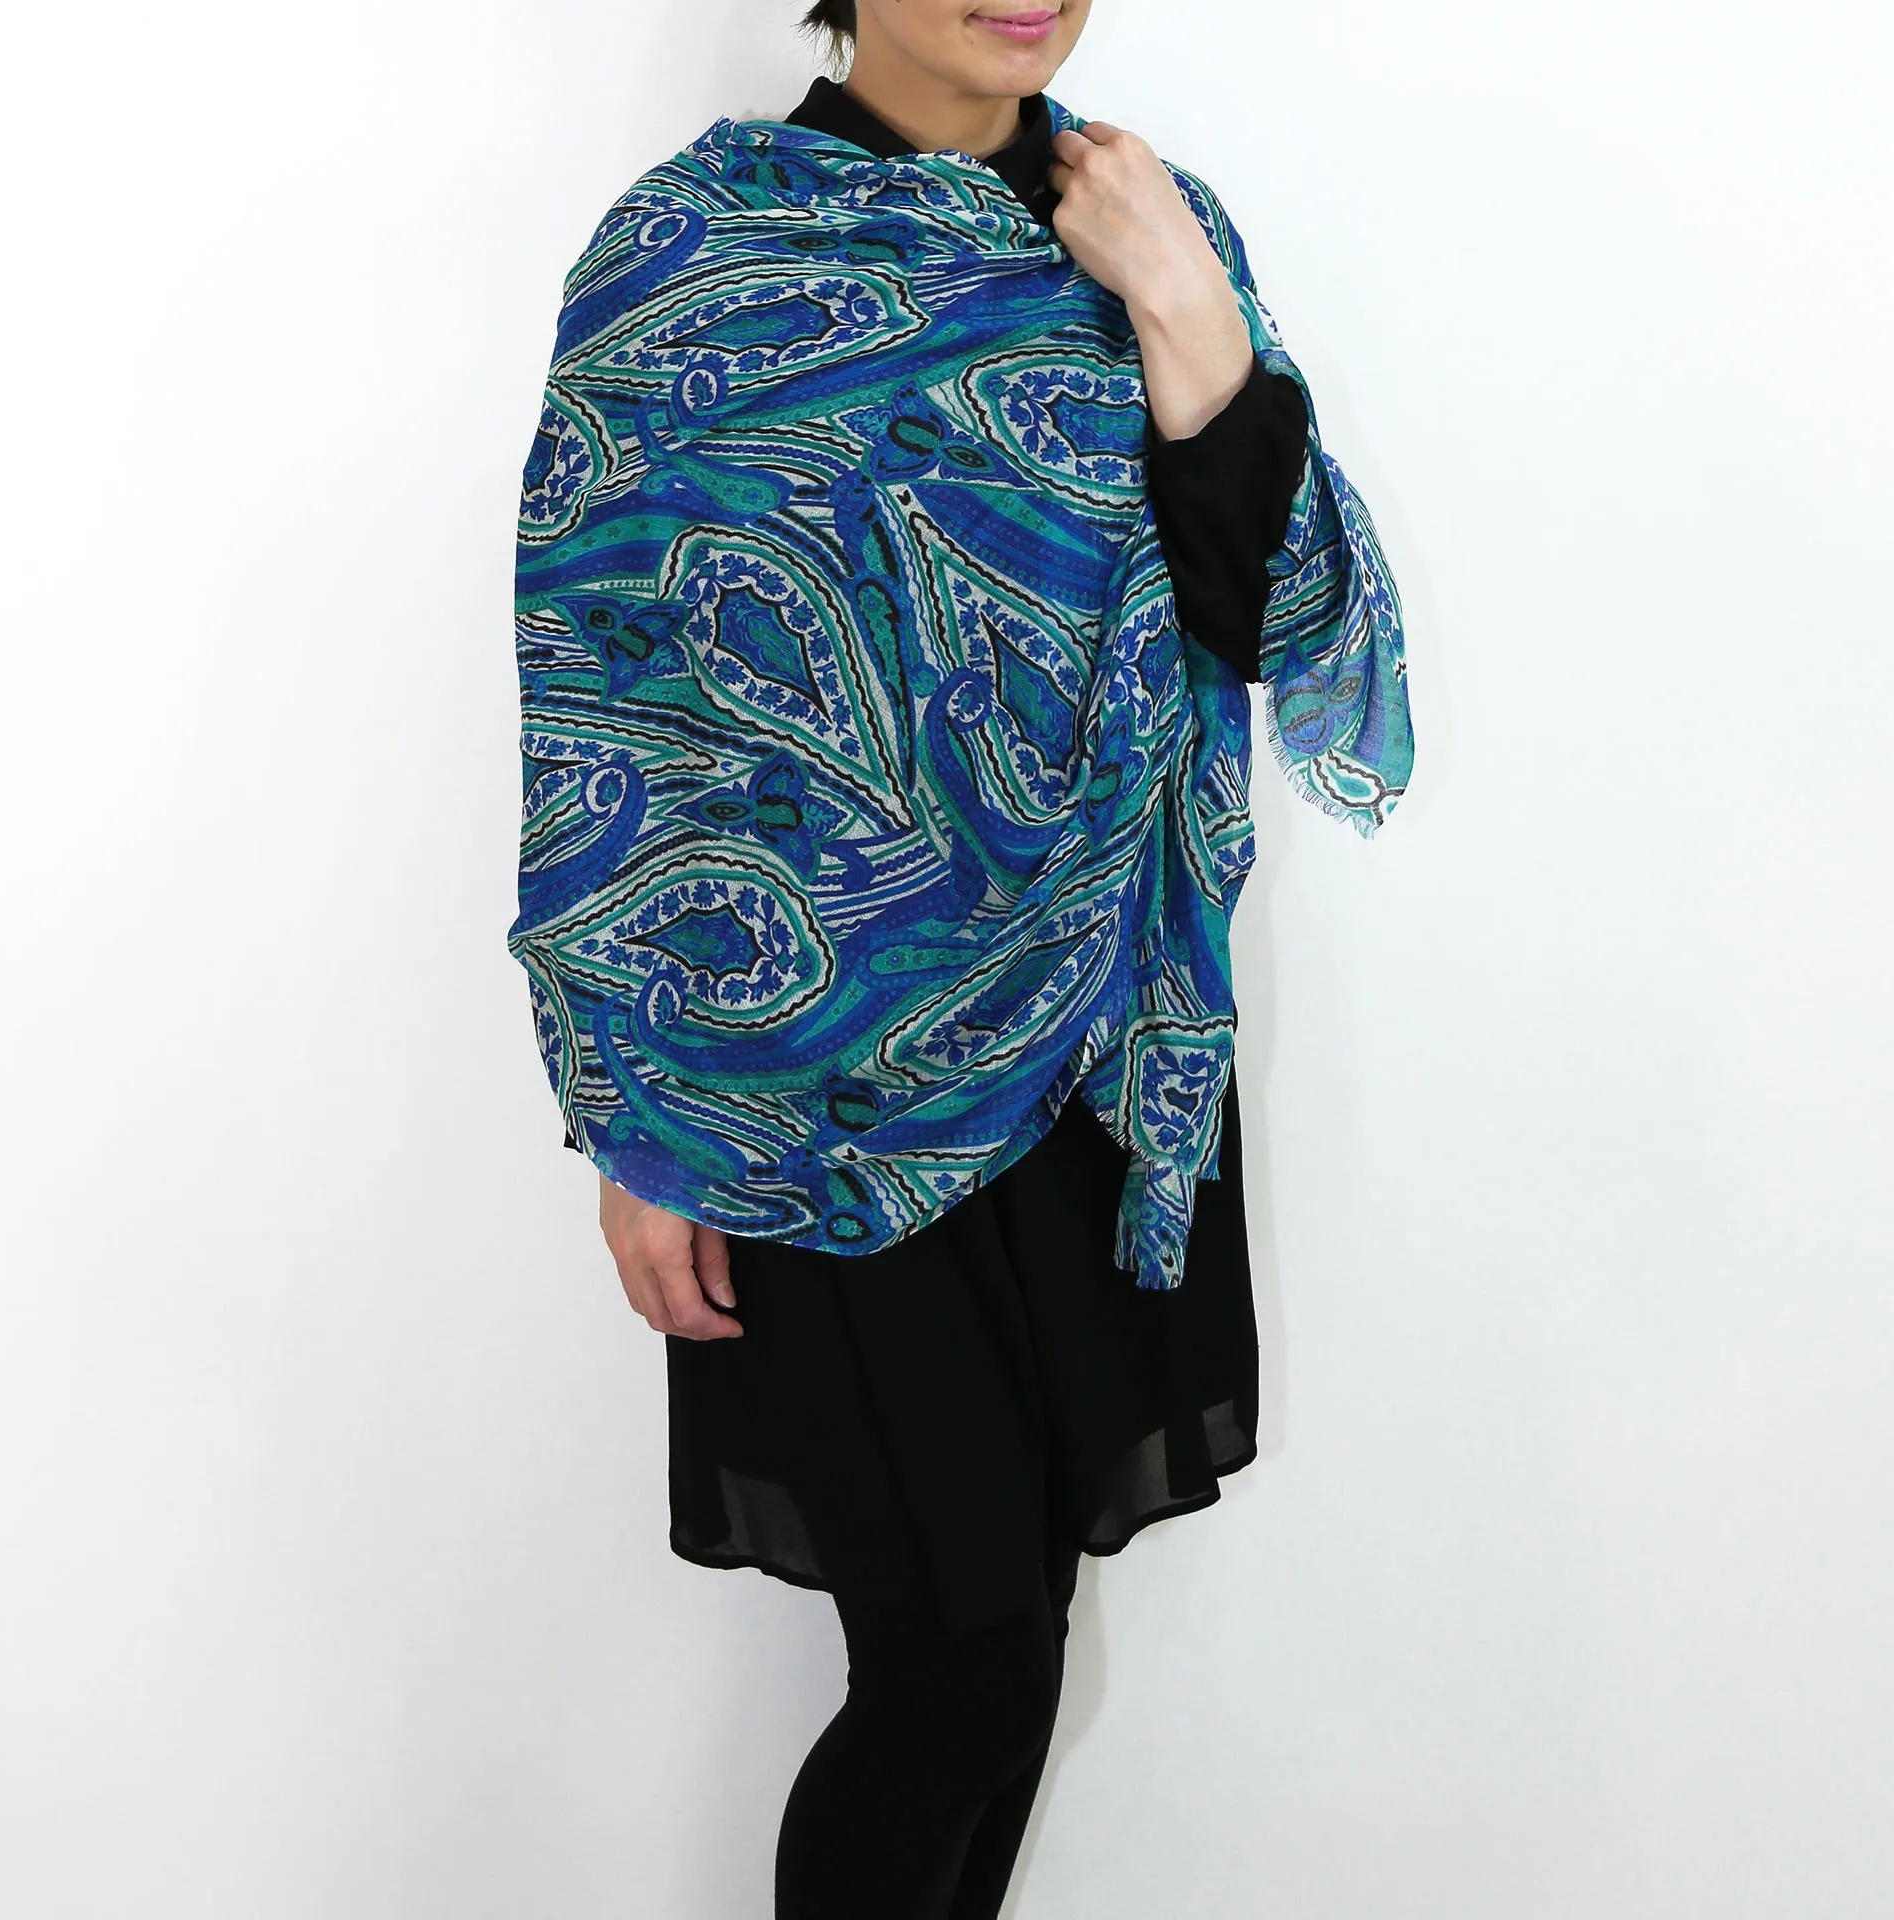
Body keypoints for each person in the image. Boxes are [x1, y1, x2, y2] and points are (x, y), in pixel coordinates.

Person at [509, 3, 1411, 1912]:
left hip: (1094, 1053)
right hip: (800, 1075)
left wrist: (1191, 319)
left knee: (1012, 1655)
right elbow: (612, 706)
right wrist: (634, 1123)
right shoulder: (694, 251)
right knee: (961, 1671)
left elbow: (1285, 615)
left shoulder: (1147, 221)